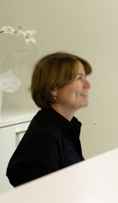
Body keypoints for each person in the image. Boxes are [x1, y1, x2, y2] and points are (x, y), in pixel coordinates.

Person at [7, 52, 92, 187]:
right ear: (54, 89)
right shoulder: (45, 135)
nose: (88, 84)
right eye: (79, 78)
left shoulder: (64, 126)